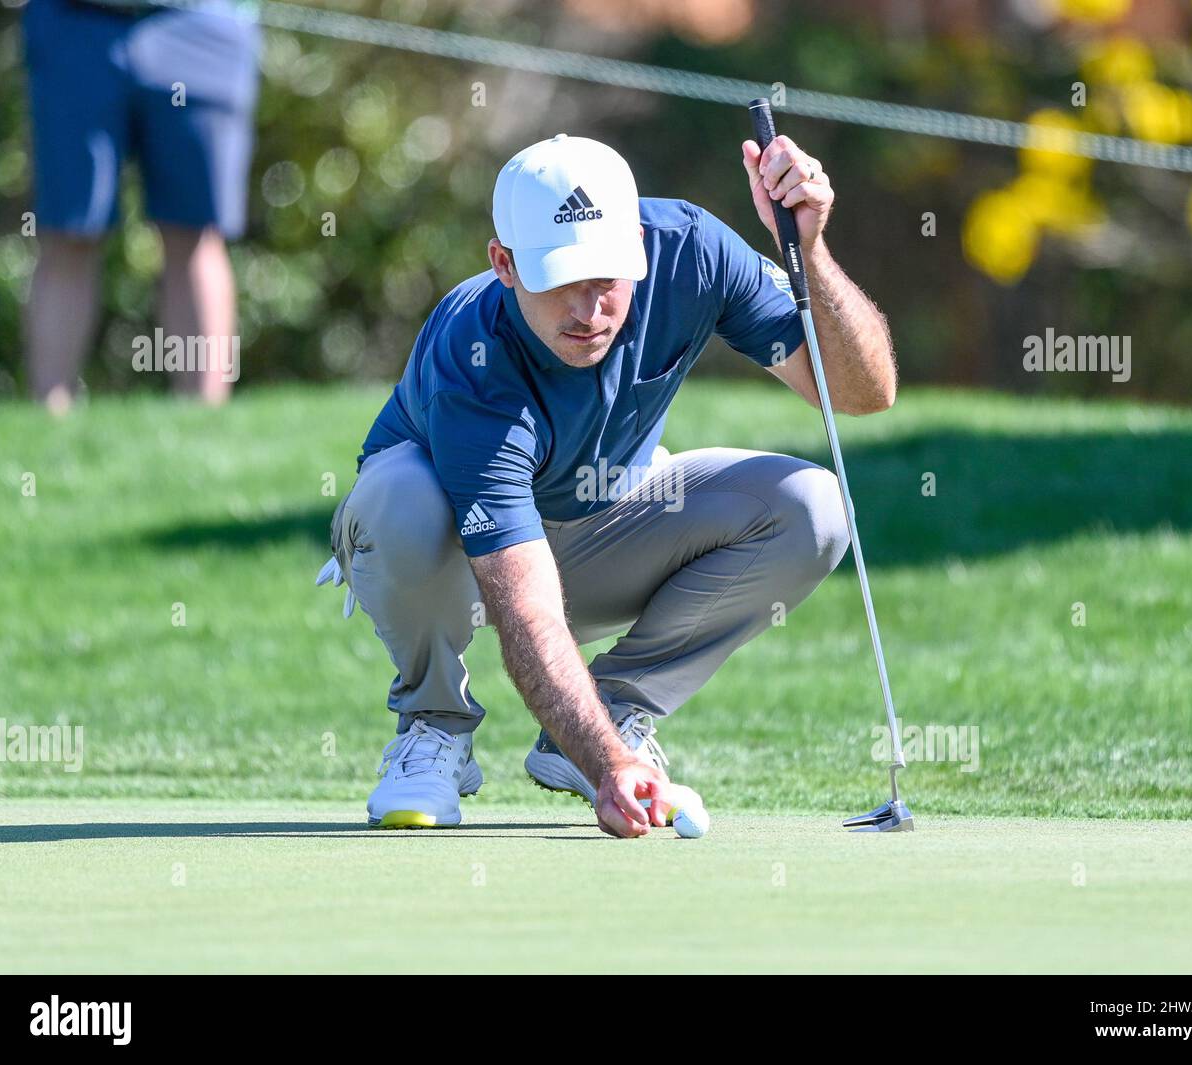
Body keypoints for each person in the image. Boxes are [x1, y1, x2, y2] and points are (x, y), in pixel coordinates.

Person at [318, 130, 895, 838]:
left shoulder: (691, 251)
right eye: (561, 279)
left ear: (640, 251)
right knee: (400, 493)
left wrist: (809, 253)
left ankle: (615, 709)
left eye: (607, 277)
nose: (589, 309)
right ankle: (432, 723)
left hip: (601, 524)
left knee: (813, 505)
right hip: (450, 562)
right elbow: (524, 607)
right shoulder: (473, 357)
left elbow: (863, 394)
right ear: (504, 263)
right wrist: (611, 769)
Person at [22, 0, 260, 412]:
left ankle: (203, 427)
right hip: (74, 19)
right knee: (69, 232)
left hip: (202, 22)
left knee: (196, 234)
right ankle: (48, 417)